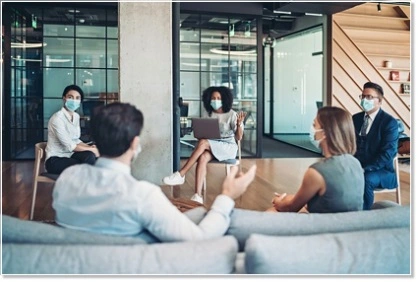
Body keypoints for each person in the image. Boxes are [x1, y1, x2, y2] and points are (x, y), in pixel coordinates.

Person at [52, 102, 257, 241]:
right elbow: (199, 238)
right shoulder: (143, 196)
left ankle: (182, 174)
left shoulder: (66, 180)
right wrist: (227, 196)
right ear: (135, 144)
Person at [267, 106, 364, 213]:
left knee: (272, 212)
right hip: (351, 223)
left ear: (324, 133)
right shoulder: (355, 163)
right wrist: (293, 199)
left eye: (314, 125)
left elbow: (290, 208)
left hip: (323, 226)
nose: (312, 129)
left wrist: (278, 201)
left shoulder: (316, 172)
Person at [162, 86, 246, 204]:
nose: (215, 100)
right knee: (202, 157)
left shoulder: (232, 114)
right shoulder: (208, 114)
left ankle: (181, 174)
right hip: (213, 144)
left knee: (203, 143)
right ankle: (197, 195)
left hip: (228, 147)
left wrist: (239, 124)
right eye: (213, 98)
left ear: (224, 99)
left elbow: (238, 137)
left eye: (218, 98)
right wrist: (200, 132)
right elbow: (203, 134)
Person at [352, 82, 398, 210]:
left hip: (382, 171)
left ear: (379, 101)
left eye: (369, 97)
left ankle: (364, 216)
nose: (365, 100)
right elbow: (349, 144)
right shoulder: (355, 119)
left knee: (366, 179)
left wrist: (366, 169)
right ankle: (344, 211)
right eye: (363, 96)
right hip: (358, 166)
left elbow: (387, 154)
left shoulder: (389, 122)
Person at [45, 85, 99, 174]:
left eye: (77, 98)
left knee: (90, 157)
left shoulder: (76, 116)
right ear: (64, 98)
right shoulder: (57, 119)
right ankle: (86, 186)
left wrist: (90, 147)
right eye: (70, 97)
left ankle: (86, 185)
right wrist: (92, 150)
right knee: (85, 164)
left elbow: (75, 140)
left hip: (70, 155)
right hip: (55, 160)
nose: (74, 100)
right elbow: (70, 146)